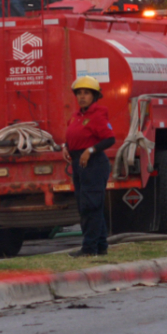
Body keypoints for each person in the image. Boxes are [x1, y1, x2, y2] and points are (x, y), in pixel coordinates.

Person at [63, 75, 114, 257]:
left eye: (86, 93)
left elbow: (109, 138)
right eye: (79, 93)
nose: (82, 96)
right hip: (79, 164)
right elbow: (74, 136)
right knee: (86, 205)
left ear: (94, 96)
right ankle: (100, 246)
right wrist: (66, 147)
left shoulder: (98, 114)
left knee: (91, 206)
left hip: (94, 164)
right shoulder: (77, 115)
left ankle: (89, 248)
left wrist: (90, 150)